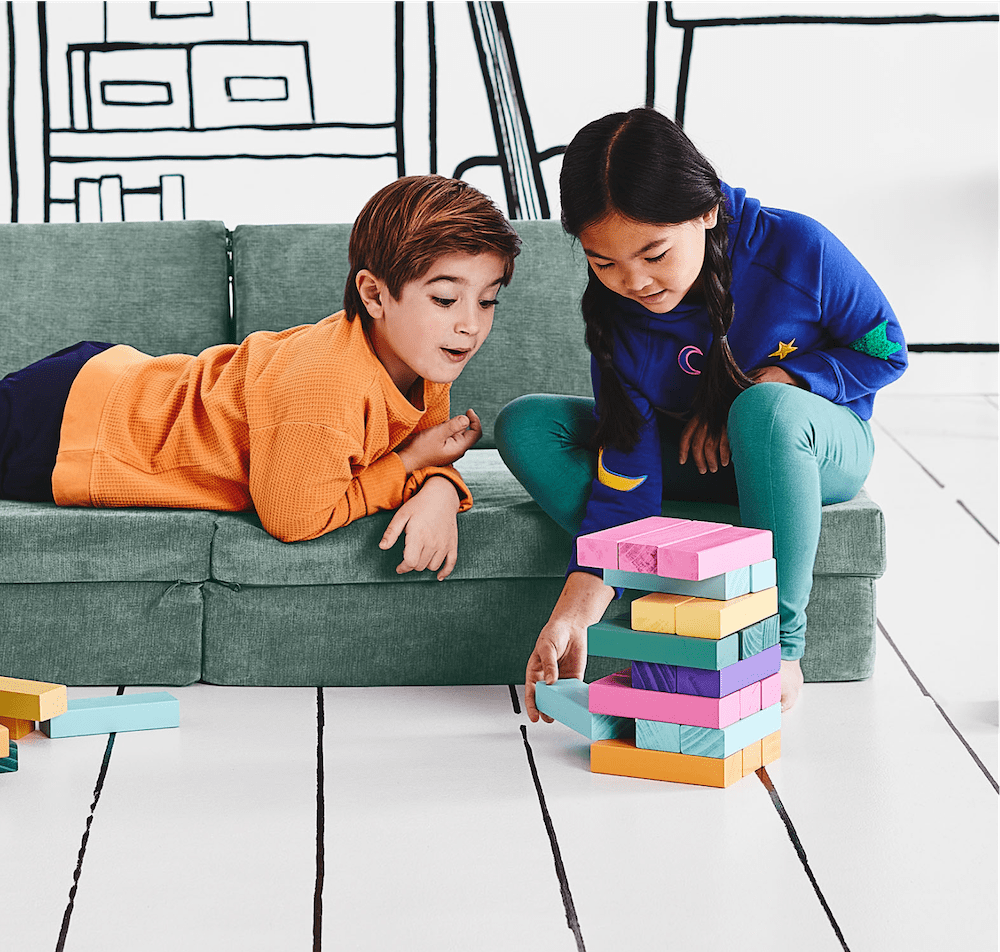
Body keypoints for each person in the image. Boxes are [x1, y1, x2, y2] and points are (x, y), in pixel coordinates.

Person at [494, 108, 906, 714]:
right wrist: (573, 612)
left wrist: (782, 378)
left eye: (654, 253)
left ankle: (777, 644)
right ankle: (682, 565)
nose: (634, 281)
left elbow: (885, 349)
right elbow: (625, 462)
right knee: (529, 425)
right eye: (603, 262)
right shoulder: (618, 314)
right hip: (700, 460)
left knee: (763, 412)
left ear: (707, 210)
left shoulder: (797, 248)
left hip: (809, 447)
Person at [0, 175, 521, 580]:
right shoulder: (327, 385)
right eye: (446, 299)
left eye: (487, 300)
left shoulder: (424, 361)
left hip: (114, 385)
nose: (470, 324)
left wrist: (440, 488)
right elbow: (296, 519)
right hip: (76, 426)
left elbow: (421, 450)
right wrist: (413, 464)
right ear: (374, 295)